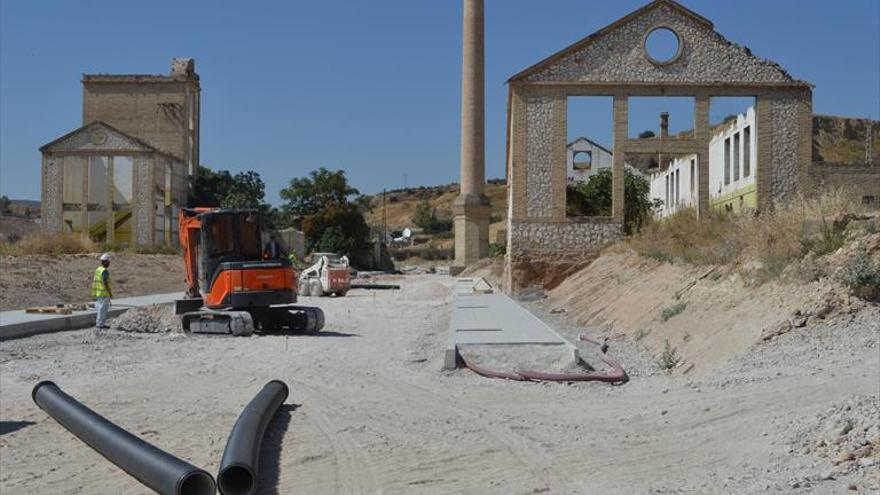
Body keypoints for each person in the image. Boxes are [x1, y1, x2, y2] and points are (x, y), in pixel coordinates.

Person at [92, 253, 113, 329]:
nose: (109, 263)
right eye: (108, 262)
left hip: (98, 292)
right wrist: (110, 293)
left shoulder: (98, 269)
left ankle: (99, 323)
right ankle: (100, 324)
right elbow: (105, 282)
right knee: (103, 310)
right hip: (104, 292)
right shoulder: (104, 271)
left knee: (99, 309)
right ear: (105, 262)